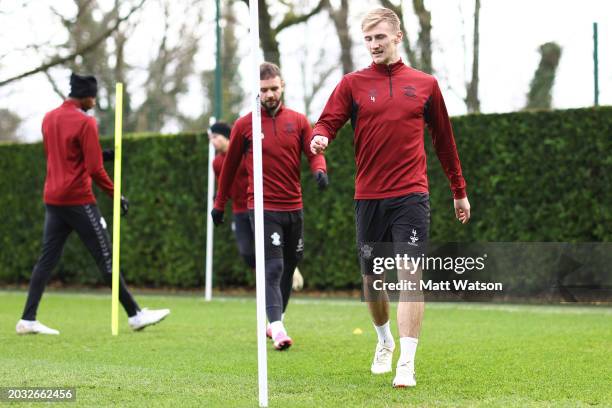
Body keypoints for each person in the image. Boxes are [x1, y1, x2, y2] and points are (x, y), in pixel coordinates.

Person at [310, 8, 471, 387]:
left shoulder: (425, 84)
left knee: (411, 277)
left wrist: (459, 191)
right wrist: (320, 137)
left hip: (411, 196)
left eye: (380, 37)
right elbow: (327, 121)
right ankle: (384, 341)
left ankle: (407, 363)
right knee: (373, 280)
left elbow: (444, 142)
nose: (374, 45)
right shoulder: (351, 84)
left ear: (397, 36)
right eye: (367, 39)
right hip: (369, 198)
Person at [16, 73, 170, 335]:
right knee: (106, 257)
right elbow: (95, 169)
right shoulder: (86, 122)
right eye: (94, 97)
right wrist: (116, 195)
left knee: (46, 260)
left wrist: (103, 154)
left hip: (53, 198)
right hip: (78, 200)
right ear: (86, 96)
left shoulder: (48, 118)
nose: (95, 102)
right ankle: (135, 315)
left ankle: (27, 320)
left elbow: (67, 156)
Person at [211, 62, 328, 350]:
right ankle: (276, 327)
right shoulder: (244, 125)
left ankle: (277, 319)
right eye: (264, 90)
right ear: (257, 91)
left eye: (274, 88)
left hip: (294, 206)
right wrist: (219, 204)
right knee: (273, 267)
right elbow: (228, 169)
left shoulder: (299, 121)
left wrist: (319, 170)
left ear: (282, 86)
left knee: (290, 265)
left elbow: (313, 152)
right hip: (262, 207)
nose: (270, 94)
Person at [209, 121, 306, 288]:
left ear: (227, 137)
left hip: (258, 207)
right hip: (239, 211)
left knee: (269, 247)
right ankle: (268, 276)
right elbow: (224, 185)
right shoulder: (217, 163)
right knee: (246, 252)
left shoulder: (246, 154)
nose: (212, 141)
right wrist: (219, 200)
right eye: (210, 138)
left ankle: (285, 271)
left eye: (216, 137)